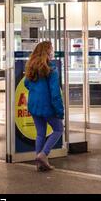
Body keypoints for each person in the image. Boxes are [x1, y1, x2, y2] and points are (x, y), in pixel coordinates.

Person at [24, 41, 64, 171]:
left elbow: (26, 83)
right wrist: (60, 111)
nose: (52, 52)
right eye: (51, 49)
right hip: (47, 106)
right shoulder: (51, 68)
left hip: (34, 105)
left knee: (40, 133)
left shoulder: (31, 67)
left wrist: (36, 91)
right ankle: (44, 154)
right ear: (47, 52)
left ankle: (39, 164)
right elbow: (55, 92)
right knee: (58, 129)